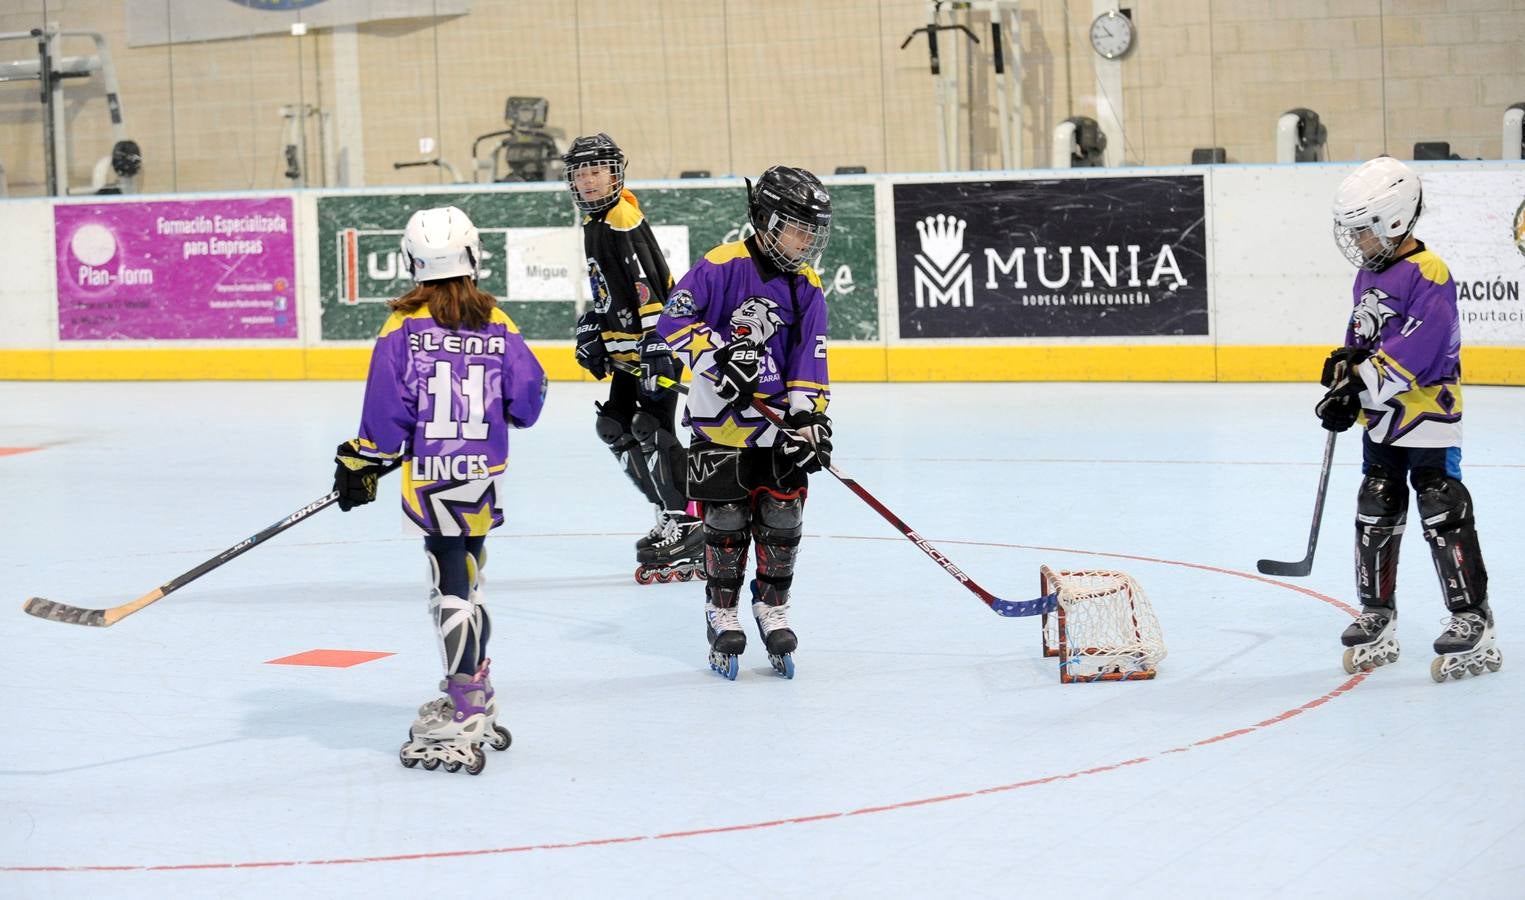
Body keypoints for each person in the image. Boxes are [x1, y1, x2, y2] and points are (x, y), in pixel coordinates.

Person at [331, 205, 547, 773]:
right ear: (473, 257)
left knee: (447, 585)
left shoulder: (403, 326)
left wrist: (365, 459)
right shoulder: (498, 321)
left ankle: (465, 700)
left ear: (412, 262)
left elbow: (386, 407)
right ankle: (476, 681)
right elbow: (528, 400)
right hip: (480, 475)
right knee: (469, 579)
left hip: (433, 476)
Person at [1317, 156, 1500, 682]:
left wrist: (1363, 382)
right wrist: (1343, 374)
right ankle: (1377, 611)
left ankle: (1473, 618)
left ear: (1393, 223)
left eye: (1363, 231)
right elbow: (1365, 339)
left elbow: (1418, 349)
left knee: (1440, 502)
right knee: (1377, 499)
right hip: (1382, 419)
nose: (1356, 241)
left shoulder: (1429, 272)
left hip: (1428, 414)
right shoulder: (1367, 274)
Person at [655, 165, 834, 680]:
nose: (805, 241)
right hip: (717, 426)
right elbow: (673, 322)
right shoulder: (720, 265)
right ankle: (723, 608)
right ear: (764, 219)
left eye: (811, 231)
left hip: (776, 431)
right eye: (796, 227)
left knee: (783, 522)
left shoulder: (807, 286)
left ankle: (771, 605)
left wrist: (809, 421)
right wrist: (717, 355)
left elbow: (809, 362)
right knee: (726, 524)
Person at [563, 133, 703, 584]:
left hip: (652, 349)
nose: (588, 181)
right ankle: (669, 509)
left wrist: (657, 342)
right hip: (628, 352)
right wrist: (595, 325)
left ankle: (689, 520)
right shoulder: (595, 222)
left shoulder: (622, 216)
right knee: (615, 426)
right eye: (580, 173)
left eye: (595, 171)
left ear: (615, 173)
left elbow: (650, 286)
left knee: (650, 427)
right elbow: (613, 290)